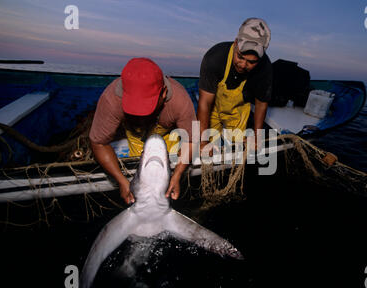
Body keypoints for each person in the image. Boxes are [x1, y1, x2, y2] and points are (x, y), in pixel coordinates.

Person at [89, 57, 196, 204]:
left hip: (167, 135)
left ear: (163, 93)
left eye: (146, 108)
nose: (140, 115)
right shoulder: (110, 100)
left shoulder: (180, 100)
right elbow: (98, 143)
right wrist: (121, 180)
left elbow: (192, 139)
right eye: (133, 108)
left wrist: (177, 174)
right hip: (134, 135)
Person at [197, 17, 272, 148]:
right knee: (210, 145)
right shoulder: (215, 57)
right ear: (236, 43)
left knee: (237, 146)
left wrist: (256, 136)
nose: (243, 65)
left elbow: (261, 105)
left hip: (238, 112)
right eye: (240, 57)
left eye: (251, 62)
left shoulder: (265, 68)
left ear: (261, 58)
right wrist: (203, 141)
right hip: (213, 107)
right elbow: (205, 102)